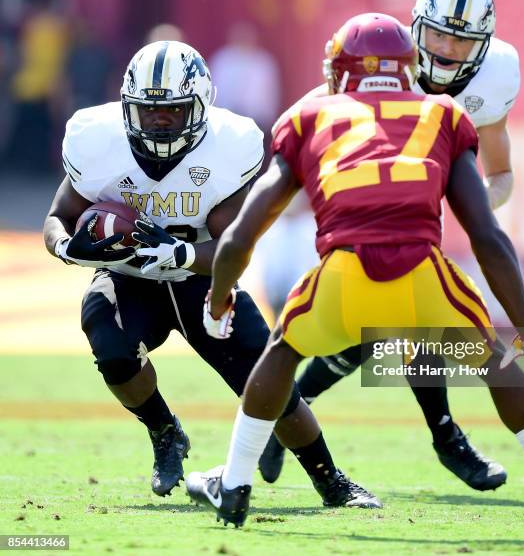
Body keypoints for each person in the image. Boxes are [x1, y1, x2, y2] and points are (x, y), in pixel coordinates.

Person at [192, 13, 524, 536]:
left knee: (282, 351)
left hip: (343, 279)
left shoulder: (310, 117)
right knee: (499, 363)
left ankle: (233, 486)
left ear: (339, 72)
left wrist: (219, 299)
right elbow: (487, 236)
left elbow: (241, 235)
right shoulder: (442, 114)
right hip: (423, 282)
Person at [42, 40, 379, 509]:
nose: (160, 122)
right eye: (148, 112)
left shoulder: (227, 147)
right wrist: (64, 245)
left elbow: (232, 246)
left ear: (200, 107)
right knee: (108, 340)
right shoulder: (97, 141)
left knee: (270, 385)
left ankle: (332, 481)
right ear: (126, 109)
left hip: (205, 283)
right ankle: (165, 432)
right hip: (129, 277)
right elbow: (58, 215)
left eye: (174, 112)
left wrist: (178, 253)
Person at [260, 0, 516, 492]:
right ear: (416, 28)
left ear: (484, 46)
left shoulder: (495, 78)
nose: (446, 50)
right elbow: (298, 129)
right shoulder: (384, 63)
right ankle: (447, 440)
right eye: (438, 34)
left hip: (417, 216)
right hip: (363, 212)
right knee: (378, 329)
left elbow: (502, 174)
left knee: (376, 334)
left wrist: (468, 207)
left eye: (462, 39)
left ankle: (285, 418)